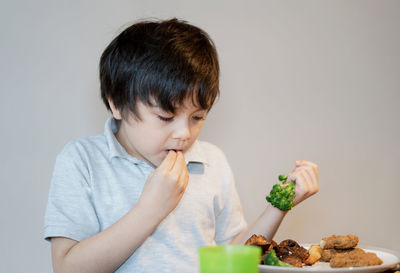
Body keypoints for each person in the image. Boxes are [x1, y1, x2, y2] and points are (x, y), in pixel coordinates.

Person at [44, 18, 319, 273]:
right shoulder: (83, 160)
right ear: (116, 103)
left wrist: (279, 205)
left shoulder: (213, 161)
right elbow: (67, 267)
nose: (184, 134)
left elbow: (233, 258)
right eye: (166, 117)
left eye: (197, 117)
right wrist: (150, 210)